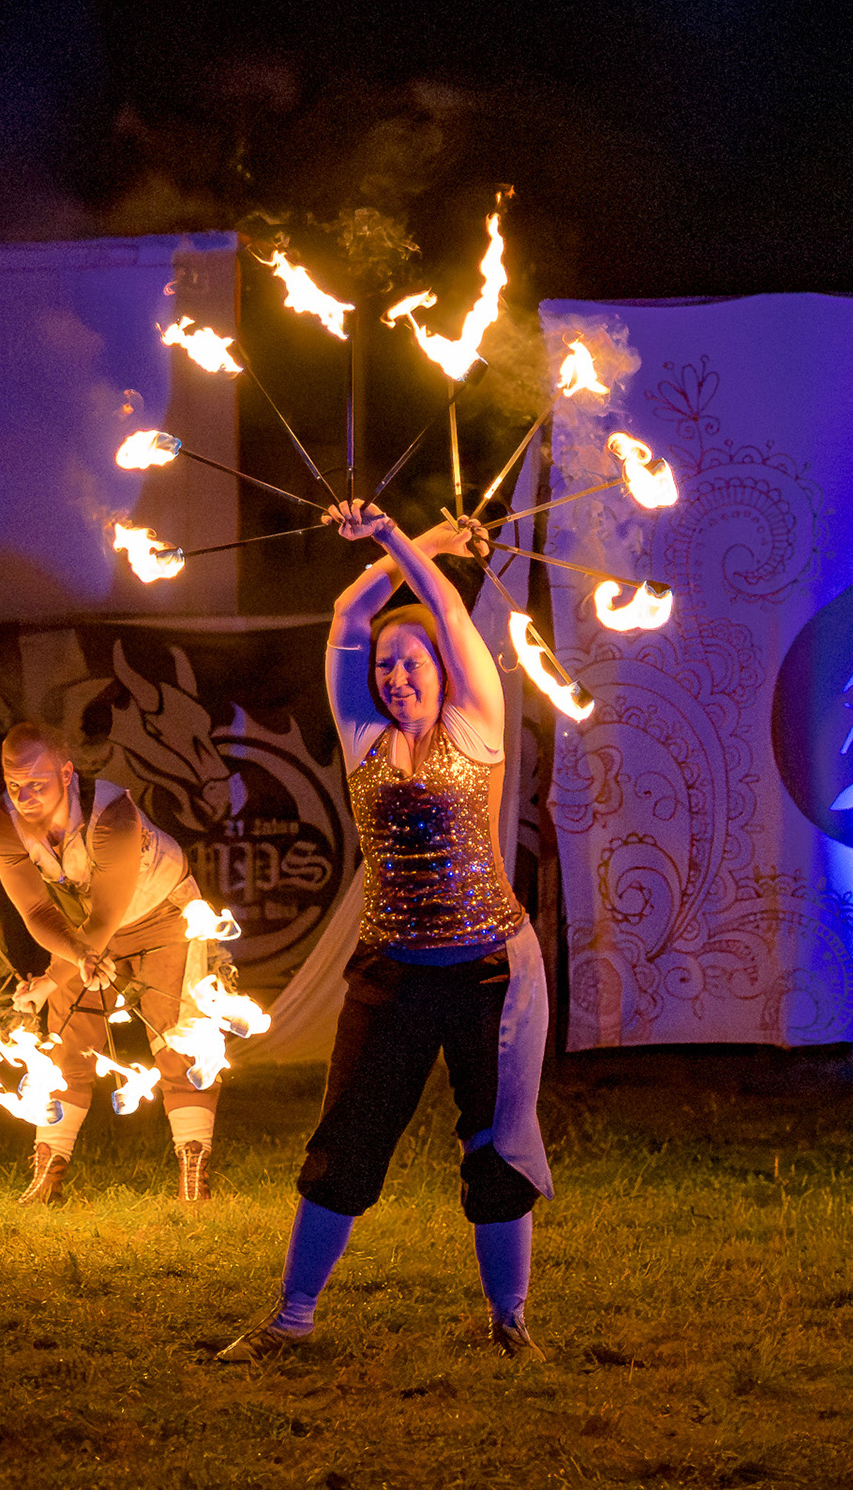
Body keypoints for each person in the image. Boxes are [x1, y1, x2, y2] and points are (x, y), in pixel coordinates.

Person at [217, 500, 553, 1362]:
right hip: (392, 974)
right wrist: (421, 541)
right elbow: (348, 616)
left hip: (490, 974)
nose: (398, 677)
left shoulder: (476, 726)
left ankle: (510, 1325)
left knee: (496, 1148)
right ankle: (292, 1319)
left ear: (447, 672)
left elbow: (444, 610)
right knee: (348, 1142)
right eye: (389, 667)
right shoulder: (362, 735)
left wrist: (410, 546)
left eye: (414, 665)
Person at [0, 722, 218, 1205]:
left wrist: (52, 978)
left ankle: (193, 1171)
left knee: (177, 1037)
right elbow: (36, 911)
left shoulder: (112, 816)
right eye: (13, 785)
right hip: (82, 930)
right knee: (66, 1039)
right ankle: (47, 1173)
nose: (24, 796)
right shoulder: (0, 824)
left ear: (67, 773)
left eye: (38, 783)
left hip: (163, 916)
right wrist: (69, 965)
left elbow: (107, 917)